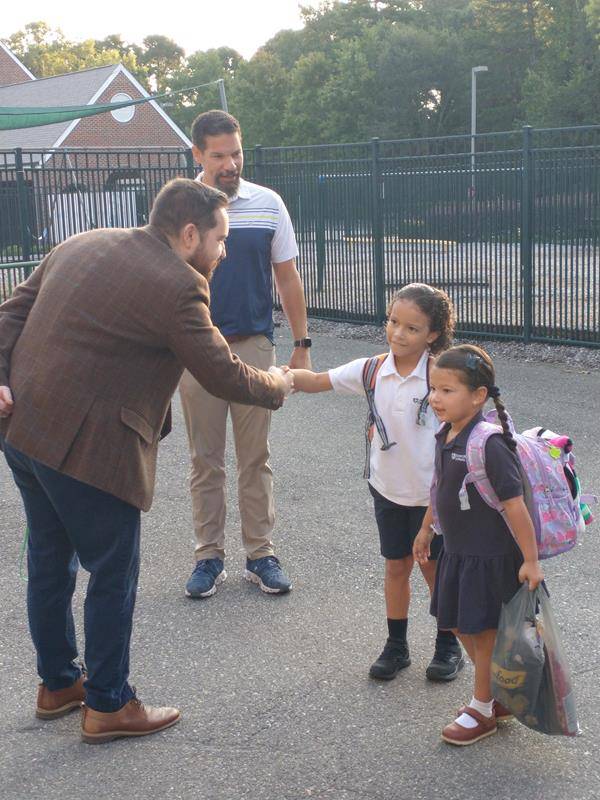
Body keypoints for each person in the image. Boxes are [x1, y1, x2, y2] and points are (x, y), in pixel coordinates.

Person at [0, 178, 293, 744]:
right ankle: (108, 704)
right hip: (88, 448)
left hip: (25, 432)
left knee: (50, 556)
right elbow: (221, 372)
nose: (224, 251)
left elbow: (9, 313)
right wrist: (276, 383)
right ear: (189, 234)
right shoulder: (179, 285)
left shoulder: (82, 242)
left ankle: (59, 684)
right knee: (112, 571)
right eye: (220, 239)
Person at [290, 284, 464, 681]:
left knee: (434, 571)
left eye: (412, 328)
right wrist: (278, 380)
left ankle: (448, 645)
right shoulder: (372, 370)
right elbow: (317, 380)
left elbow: (461, 430)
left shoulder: (440, 377)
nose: (398, 333)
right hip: (387, 489)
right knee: (396, 566)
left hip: (432, 498)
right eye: (393, 322)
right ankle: (396, 645)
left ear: (433, 335)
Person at [180, 110, 310, 599]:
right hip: (198, 347)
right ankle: (207, 558)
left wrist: (301, 345)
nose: (230, 163)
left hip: (255, 347)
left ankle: (261, 554)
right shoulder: (179, 207)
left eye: (236, 152)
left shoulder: (268, 204)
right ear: (197, 155)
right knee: (205, 459)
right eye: (218, 155)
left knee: (256, 457)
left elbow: (288, 276)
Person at [413, 344, 544, 746]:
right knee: (455, 621)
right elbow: (440, 489)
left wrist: (531, 560)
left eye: (447, 390)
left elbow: (515, 505)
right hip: (458, 553)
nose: (435, 398)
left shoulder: (489, 443)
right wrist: (426, 529)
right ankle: (496, 694)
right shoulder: (446, 433)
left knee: (482, 632)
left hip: (490, 559)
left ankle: (482, 707)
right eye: (433, 388)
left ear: (478, 395)